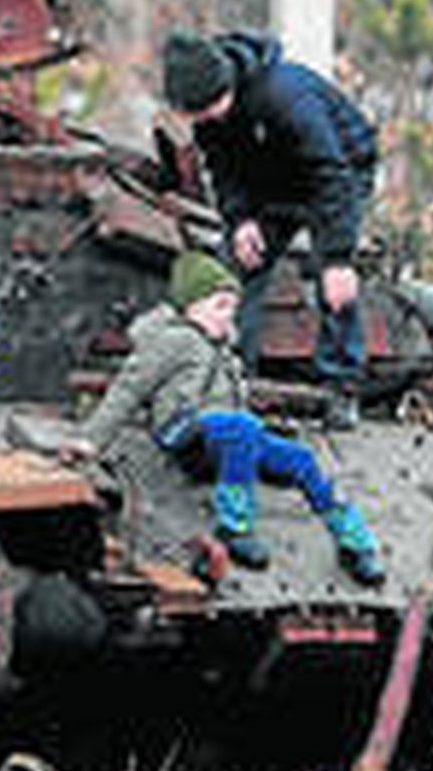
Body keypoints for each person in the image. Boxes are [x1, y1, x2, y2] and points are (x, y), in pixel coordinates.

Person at [66, 250, 384, 586]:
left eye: (232, 308)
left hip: (228, 434)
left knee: (300, 459)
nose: (228, 316)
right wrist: (90, 440)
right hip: (183, 429)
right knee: (241, 429)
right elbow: (128, 390)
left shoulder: (222, 350)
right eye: (219, 306)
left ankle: (354, 541)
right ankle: (234, 525)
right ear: (191, 307)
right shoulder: (171, 341)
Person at [161, 30, 379, 429]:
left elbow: (331, 175)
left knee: (334, 285)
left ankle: (341, 387)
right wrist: (241, 220)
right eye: (197, 113)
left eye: (211, 106)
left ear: (227, 84)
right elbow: (224, 172)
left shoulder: (285, 96)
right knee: (236, 266)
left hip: (338, 169)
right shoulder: (209, 118)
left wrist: (338, 258)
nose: (208, 118)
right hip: (274, 179)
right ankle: (229, 376)